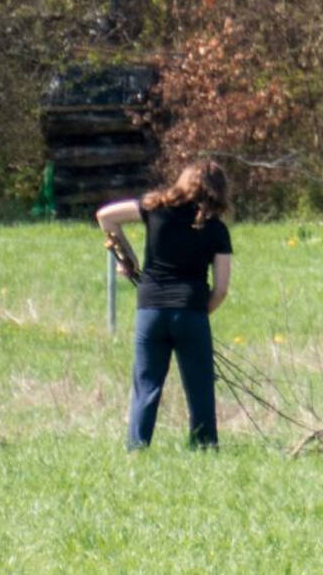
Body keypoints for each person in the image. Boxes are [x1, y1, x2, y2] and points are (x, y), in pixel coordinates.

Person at [97, 159, 232, 450]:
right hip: (191, 311)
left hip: (151, 310)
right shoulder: (216, 229)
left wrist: (128, 258)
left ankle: (136, 446)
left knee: (146, 385)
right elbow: (221, 289)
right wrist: (198, 313)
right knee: (199, 387)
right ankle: (204, 445)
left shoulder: (154, 208)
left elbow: (105, 217)